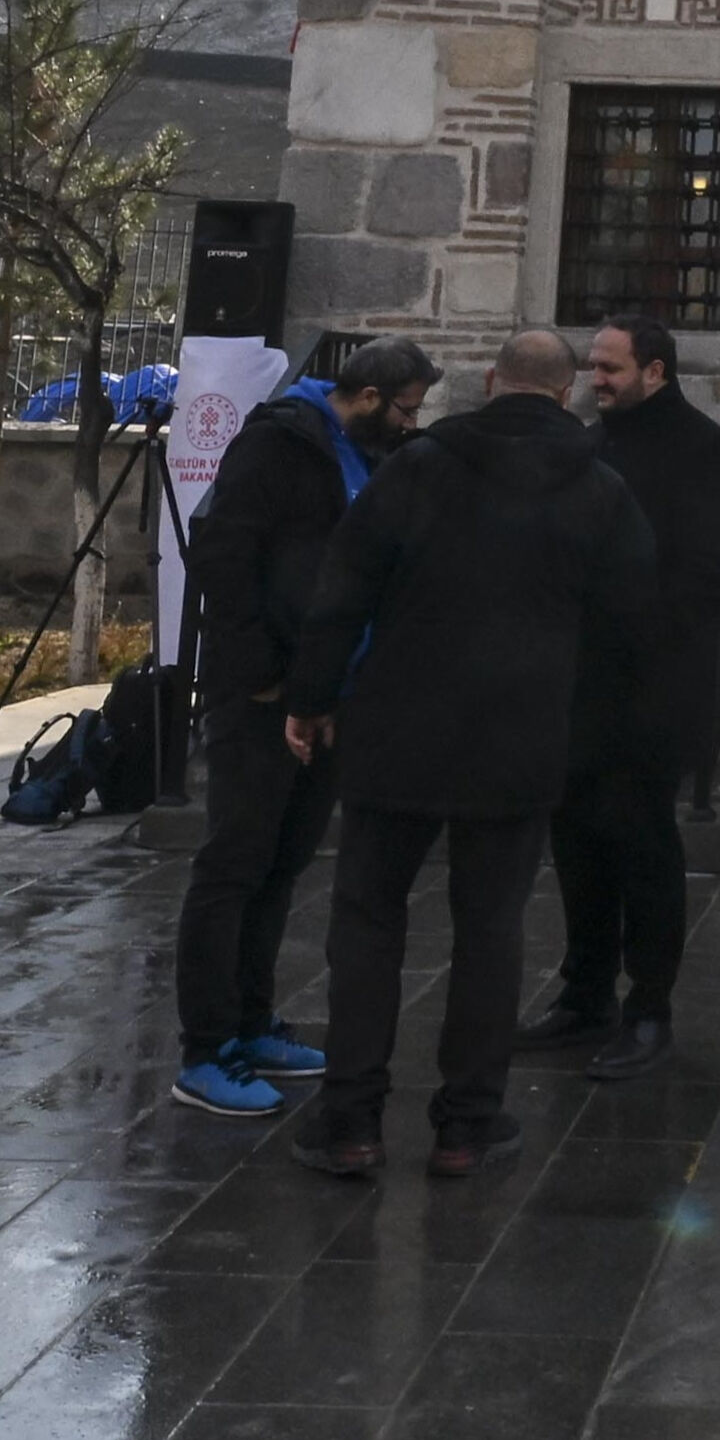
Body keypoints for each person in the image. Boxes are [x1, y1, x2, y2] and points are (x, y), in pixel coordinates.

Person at [279, 326, 658, 1182]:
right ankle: (467, 1124)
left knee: (368, 922)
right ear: (564, 396)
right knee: (491, 929)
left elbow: (344, 586)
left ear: (490, 383)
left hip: (398, 728)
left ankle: (349, 1122)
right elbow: (631, 623)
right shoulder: (600, 491)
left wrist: (311, 697)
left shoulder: (415, 469)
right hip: (517, 737)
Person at [168, 336, 431, 1119]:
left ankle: (253, 1021)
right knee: (233, 863)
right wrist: (260, 676)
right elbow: (221, 551)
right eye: (409, 408)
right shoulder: (279, 441)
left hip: (323, 693)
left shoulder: (366, 454)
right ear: (373, 395)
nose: (415, 424)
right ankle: (206, 1046)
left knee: (283, 861)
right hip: (261, 693)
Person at [524, 312, 720, 1082]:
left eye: (611, 367)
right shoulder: (591, 443)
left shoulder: (703, 450)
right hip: (577, 685)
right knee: (579, 842)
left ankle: (648, 1005)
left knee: (643, 844)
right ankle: (585, 989)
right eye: (593, 366)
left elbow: (712, 573)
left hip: (653, 689)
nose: (597, 378)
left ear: (655, 370)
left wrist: (640, 630)